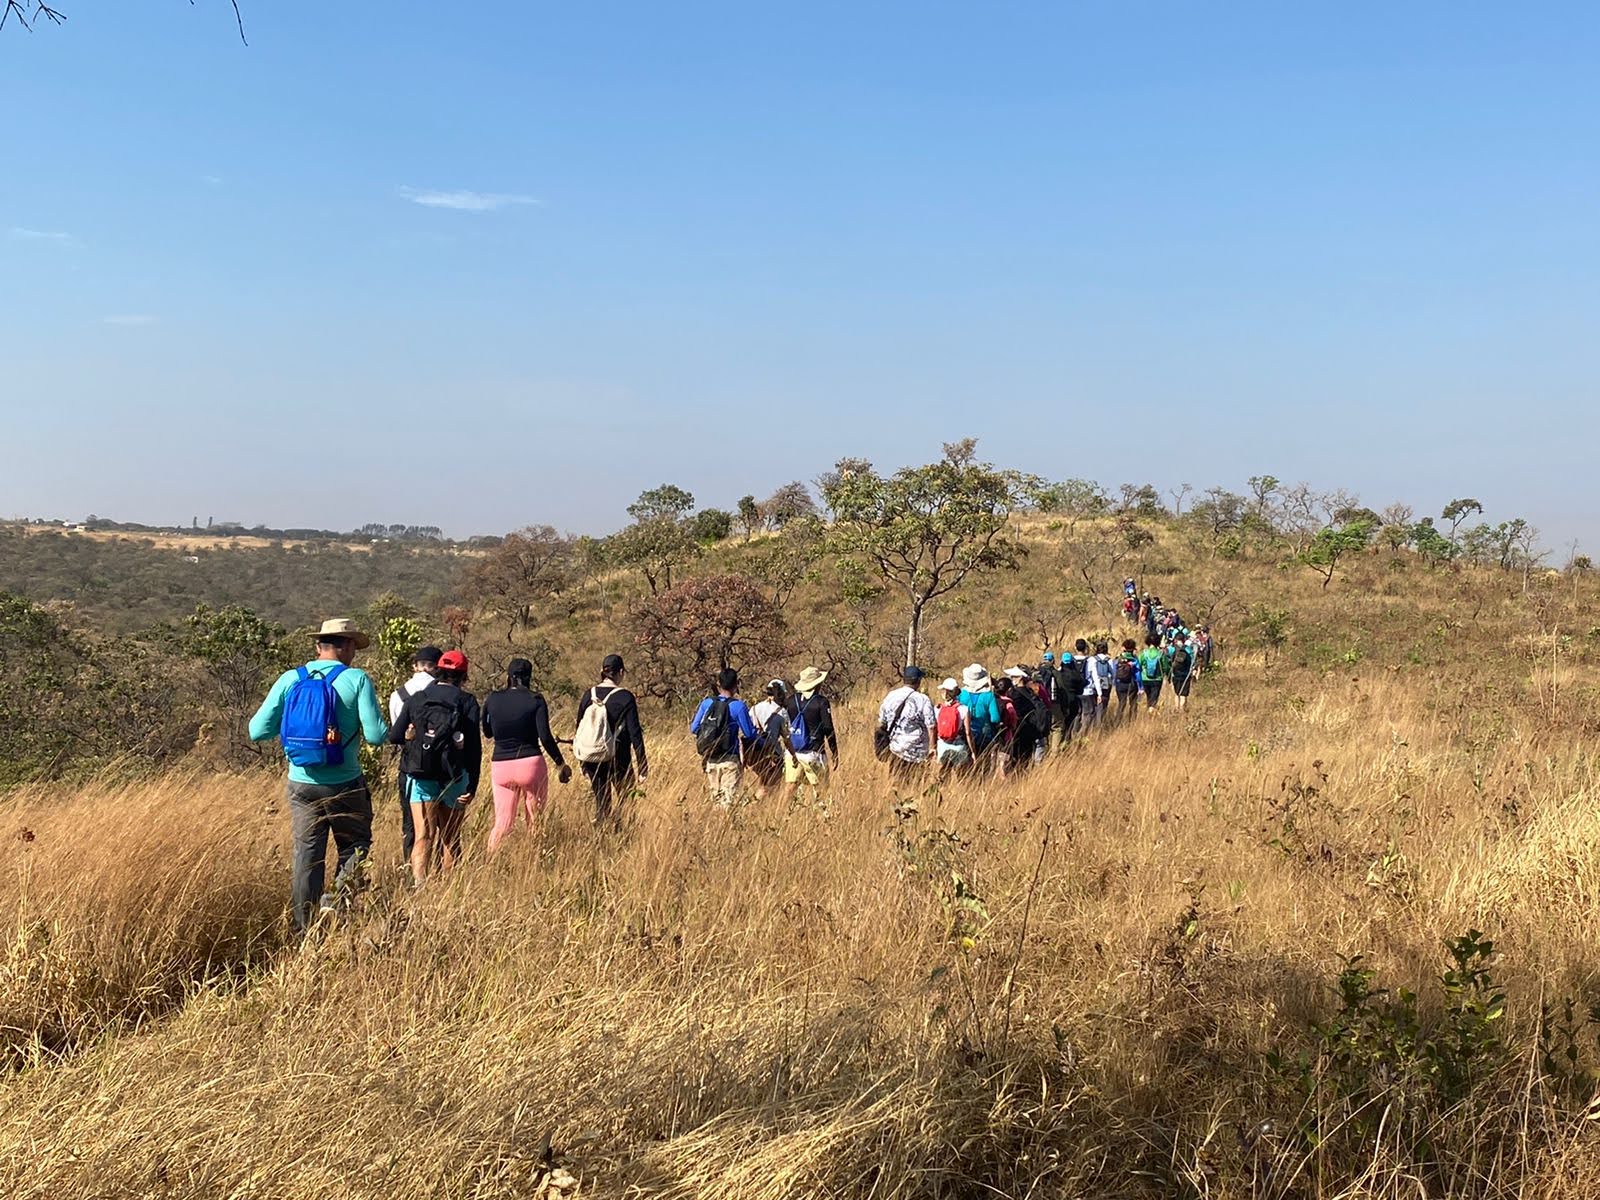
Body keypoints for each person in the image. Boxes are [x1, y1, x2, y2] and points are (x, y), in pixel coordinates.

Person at [248, 618, 389, 932]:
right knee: (355, 846)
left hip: (301, 783)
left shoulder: (290, 679)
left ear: (318, 646)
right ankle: (336, 906)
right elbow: (378, 736)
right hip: (345, 782)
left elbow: (257, 730)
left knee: (306, 857)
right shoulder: (356, 679)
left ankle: (303, 930)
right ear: (348, 646)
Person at [388, 649, 481, 882]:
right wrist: (473, 784)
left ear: (437, 670)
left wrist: (413, 738)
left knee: (423, 835)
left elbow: (395, 736)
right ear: (464, 676)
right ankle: (449, 891)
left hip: (420, 774)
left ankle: (420, 886)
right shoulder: (467, 702)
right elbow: (474, 749)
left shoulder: (417, 698)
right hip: (455, 776)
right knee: (450, 837)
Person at [481, 657, 571, 854]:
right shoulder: (535, 699)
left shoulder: (492, 699)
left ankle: (490, 862)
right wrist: (560, 763)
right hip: (531, 763)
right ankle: (535, 861)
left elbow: (487, 731)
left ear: (508, 677)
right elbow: (545, 736)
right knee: (535, 821)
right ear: (529, 677)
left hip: (501, 765)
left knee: (503, 823)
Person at [573, 654, 648, 827]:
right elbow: (635, 733)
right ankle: (622, 835)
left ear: (603, 672)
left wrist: (582, 763)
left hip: (592, 758)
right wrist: (643, 765)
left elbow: (579, 730)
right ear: (621, 672)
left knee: (602, 803)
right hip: (619, 757)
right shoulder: (625, 697)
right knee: (627, 800)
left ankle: (601, 837)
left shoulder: (588, 695)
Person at [388, 644, 443, 863]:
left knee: (411, 822)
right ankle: (440, 869)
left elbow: (396, 732)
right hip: (440, 763)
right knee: (441, 823)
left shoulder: (398, 694)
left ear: (415, 666)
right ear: (437, 668)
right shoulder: (443, 691)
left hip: (409, 763)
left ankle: (411, 868)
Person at [690, 668, 762, 807]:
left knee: (716, 799)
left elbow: (694, 728)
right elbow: (749, 734)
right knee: (727, 803)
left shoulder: (707, 703)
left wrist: (709, 737)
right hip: (729, 759)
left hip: (711, 758)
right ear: (736, 684)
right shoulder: (738, 706)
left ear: (719, 684)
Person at [877, 666, 938, 783]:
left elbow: (882, 721)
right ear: (918, 681)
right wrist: (932, 748)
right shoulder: (923, 699)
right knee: (915, 787)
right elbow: (931, 726)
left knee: (896, 785)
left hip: (896, 750)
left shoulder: (891, 696)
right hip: (918, 753)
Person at [786, 666, 839, 798]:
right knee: (821, 789)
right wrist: (834, 751)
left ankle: (781, 813)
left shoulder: (791, 700)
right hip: (814, 752)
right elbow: (828, 728)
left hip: (793, 752)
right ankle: (820, 816)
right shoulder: (821, 702)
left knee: (791, 787)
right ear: (817, 684)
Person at [748, 679, 793, 798]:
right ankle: (756, 807)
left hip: (754, 753)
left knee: (763, 782)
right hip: (772, 754)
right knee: (770, 786)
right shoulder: (782, 712)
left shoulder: (754, 709)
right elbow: (787, 738)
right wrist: (794, 755)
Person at [1001, 667, 1044, 773]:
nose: (1011, 679)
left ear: (1019, 678)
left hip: (1020, 732)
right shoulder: (1031, 692)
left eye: (1013, 677)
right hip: (1031, 732)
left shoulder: (1015, 696)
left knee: (1018, 761)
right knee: (1025, 761)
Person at [959, 664, 1002, 760]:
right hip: (985, 735)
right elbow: (995, 718)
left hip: (966, 734)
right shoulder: (989, 696)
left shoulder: (962, 695)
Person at [934, 678, 975, 773]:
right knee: (959, 774)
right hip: (958, 745)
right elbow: (968, 732)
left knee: (941, 774)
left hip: (942, 745)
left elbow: (935, 729)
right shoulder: (964, 709)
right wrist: (973, 752)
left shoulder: (937, 708)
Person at [1055, 646, 1085, 748]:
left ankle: (1060, 743)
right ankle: (1067, 742)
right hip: (1074, 701)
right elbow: (1081, 689)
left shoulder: (1059, 674)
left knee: (1060, 724)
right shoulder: (1076, 675)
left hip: (1061, 702)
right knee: (1070, 724)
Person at [1076, 639, 1106, 736]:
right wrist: (1099, 694)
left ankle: (1073, 734)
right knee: (1088, 714)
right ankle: (1082, 734)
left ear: (1075, 647)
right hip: (1088, 691)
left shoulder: (1071, 660)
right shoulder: (1091, 660)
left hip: (1075, 692)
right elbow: (1095, 677)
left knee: (1077, 714)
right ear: (1086, 648)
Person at [1112, 638, 1142, 723]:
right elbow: (1138, 674)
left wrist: (1115, 683)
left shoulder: (1118, 658)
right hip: (1131, 683)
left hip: (1120, 684)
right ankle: (1131, 722)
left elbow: (1114, 671)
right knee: (1133, 704)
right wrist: (1140, 686)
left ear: (1123, 647)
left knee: (1121, 703)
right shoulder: (1134, 659)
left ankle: (1117, 722)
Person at [1138, 634, 1168, 710]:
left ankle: (1149, 709)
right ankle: (1151, 712)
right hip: (1157, 679)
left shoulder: (1143, 653)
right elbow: (1165, 667)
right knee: (1154, 698)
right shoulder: (1160, 654)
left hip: (1145, 678)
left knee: (1149, 696)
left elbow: (1139, 665)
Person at [1169, 633, 1197, 710]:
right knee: (1183, 695)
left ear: (1175, 640)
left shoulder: (1173, 649)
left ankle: (1176, 709)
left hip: (1175, 675)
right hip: (1186, 675)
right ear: (1184, 640)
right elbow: (1193, 661)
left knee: (1176, 694)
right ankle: (1182, 710)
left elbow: (1167, 657)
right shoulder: (1188, 649)